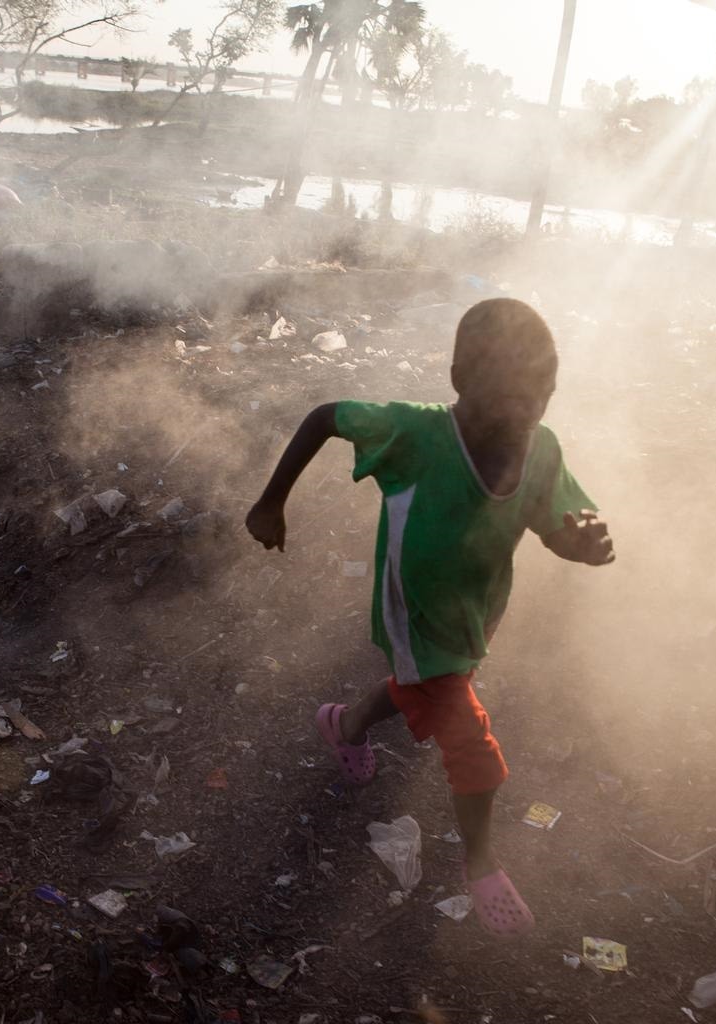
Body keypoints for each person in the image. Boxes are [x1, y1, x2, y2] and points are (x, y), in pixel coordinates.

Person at [245, 298, 615, 937]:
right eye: (510, 398)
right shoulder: (413, 432)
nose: (525, 414)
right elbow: (326, 416)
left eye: (541, 397)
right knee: (472, 744)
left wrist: (581, 545)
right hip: (412, 610)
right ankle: (482, 866)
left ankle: (345, 724)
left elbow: (555, 526)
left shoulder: (542, 449)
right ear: (459, 381)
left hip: (476, 610)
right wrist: (270, 502)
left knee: (422, 687)